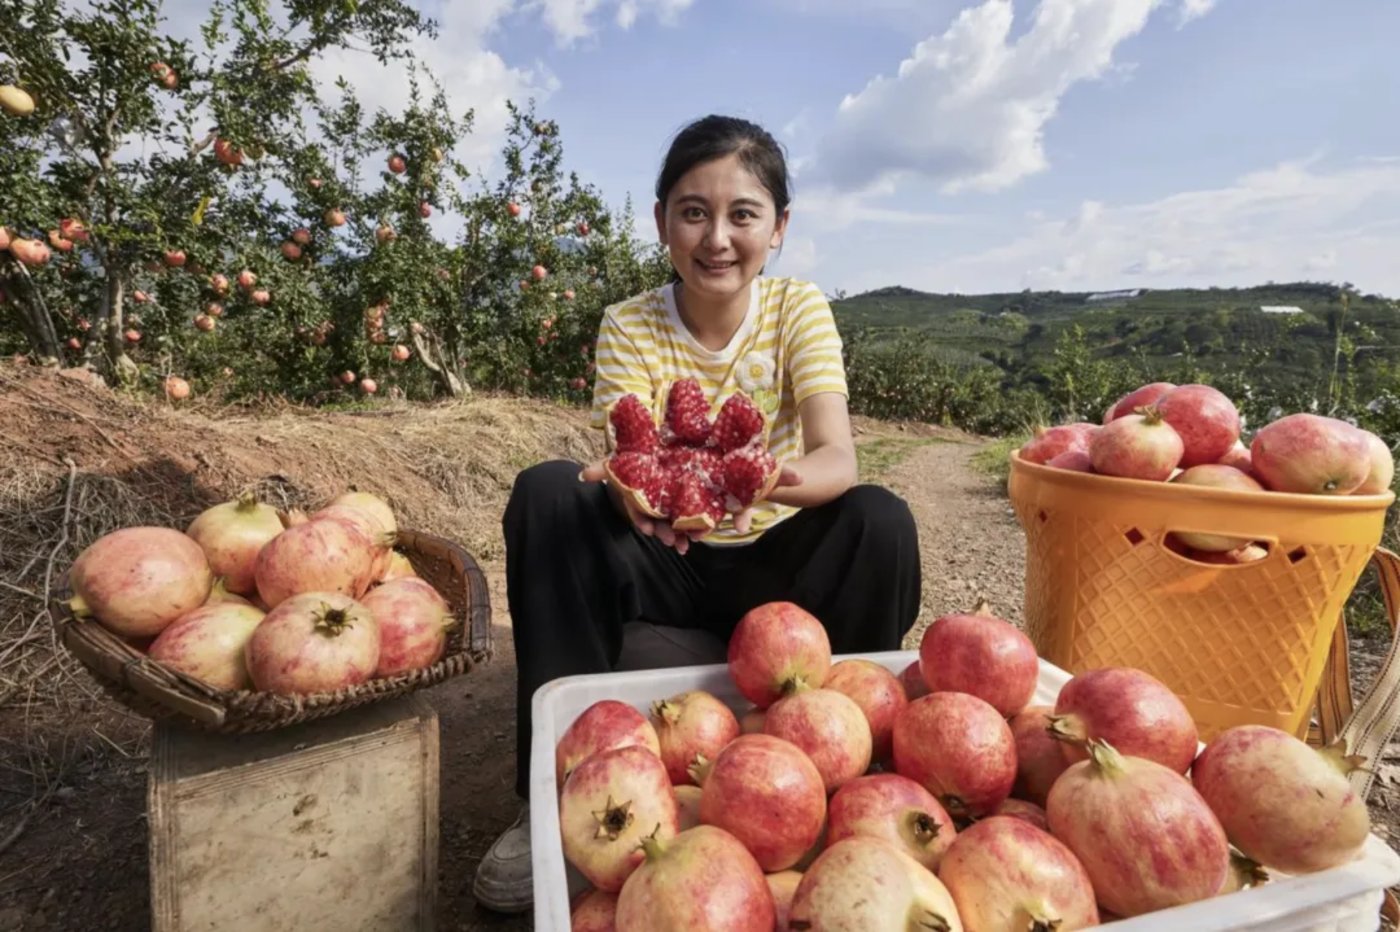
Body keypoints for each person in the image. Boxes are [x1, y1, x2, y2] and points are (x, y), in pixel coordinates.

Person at [471, 114, 923, 913]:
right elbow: (635, 452)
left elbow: (835, 458)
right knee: (546, 491)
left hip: (776, 554)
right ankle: (548, 793)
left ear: (778, 228)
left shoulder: (798, 310)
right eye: (693, 211)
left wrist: (761, 481)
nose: (717, 237)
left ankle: (854, 778)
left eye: (743, 213)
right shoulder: (628, 322)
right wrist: (629, 488)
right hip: (667, 557)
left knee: (879, 519)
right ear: (661, 222)